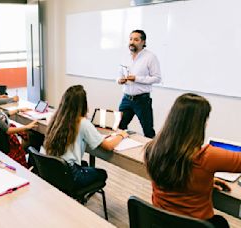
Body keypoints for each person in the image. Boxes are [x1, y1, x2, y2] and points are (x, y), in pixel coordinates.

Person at [144, 93, 240, 228]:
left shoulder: (152, 149)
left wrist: (203, 180)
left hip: (161, 221)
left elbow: (176, 175)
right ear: (198, 124)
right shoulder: (207, 156)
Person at [43, 85, 128, 188]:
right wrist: (121, 135)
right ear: (83, 104)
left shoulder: (56, 118)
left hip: (53, 169)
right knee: (102, 173)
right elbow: (109, 146)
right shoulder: (83, 123)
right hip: (70, 174)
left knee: (85, 165)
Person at [117, 30, 161, 138]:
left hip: (142, 100)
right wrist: (119, 80)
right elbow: (118, 75)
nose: (132, 42)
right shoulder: (125, 56)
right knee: (119, 127)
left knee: (148, 131)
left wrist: (137, 78)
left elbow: (157, 78)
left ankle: (152, 154)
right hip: (126, 99)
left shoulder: (150, 57)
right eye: (131, 39)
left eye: (136, 40)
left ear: (143, 42)